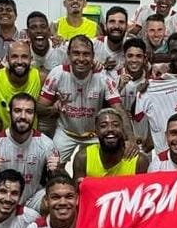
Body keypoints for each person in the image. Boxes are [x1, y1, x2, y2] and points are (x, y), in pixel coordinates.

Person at [37, 35, 124, 164]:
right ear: (68, 54)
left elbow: (119, 109)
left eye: (86, 54)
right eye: (76, 53)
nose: (81, 59)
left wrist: (130, 139)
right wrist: (53, 109)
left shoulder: (102, 76)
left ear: (93, 56)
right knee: (52, 165)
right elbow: (39, 108)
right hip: (65, 133)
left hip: (94, 135)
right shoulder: (58, 73)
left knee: (99, 168)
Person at [0, 93, 60, 208]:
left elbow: (57, 181)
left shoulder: (46, 144)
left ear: (34, 115)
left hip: (32, 200)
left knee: (54, 197)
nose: (23, 116)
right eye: (17, 111)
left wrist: (56, 171)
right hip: (4, 199)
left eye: (29, 112)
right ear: (9, 113)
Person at [73, 108, 148, 178]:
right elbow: (77, 187)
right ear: (96, 131)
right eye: (103, 126)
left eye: (116, 125)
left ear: (122, 129)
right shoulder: (83, 158)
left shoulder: (139, 161)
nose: (110, 129)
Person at [0, 42, 42, 130]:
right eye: (14, 56)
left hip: (31, 136)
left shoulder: (40, 77)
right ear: (7, 59)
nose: (19, 61)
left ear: (31, 59)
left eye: (24, 57)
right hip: (2, 136)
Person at [117, 38, 150, 145]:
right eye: (130, 56)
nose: (134, 60)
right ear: (124, 58)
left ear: (145, 58)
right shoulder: (112, 77)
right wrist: (118, 88)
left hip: (143, 140)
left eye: (138, 56)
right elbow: (103, 109)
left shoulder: (151, 80)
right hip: (120, 141)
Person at [26, 11, 68, 75]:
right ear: (28, 33)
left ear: (49, 31)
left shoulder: (62, 49)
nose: (39, 31)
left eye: (43, 26)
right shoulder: (23, 52)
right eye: (33, 27)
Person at [92, 6, 128, 77]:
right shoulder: (93, 45)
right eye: (112, 21)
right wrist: (102, 67)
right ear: (105, 26)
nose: (116, 26)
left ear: (126, 26)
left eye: (121, 22)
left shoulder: (131, 47)